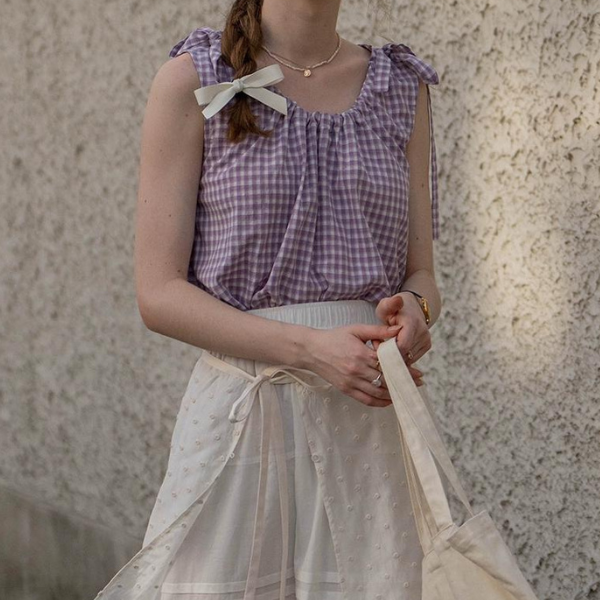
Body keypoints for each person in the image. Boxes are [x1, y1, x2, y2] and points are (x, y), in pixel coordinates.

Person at [93, 0, 442, 598]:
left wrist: (416, 308)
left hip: (365, 421)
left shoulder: (401, 87)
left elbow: (422, 273)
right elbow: (159, 294)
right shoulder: (193, 79)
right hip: (243, 414)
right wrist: (311, 350)